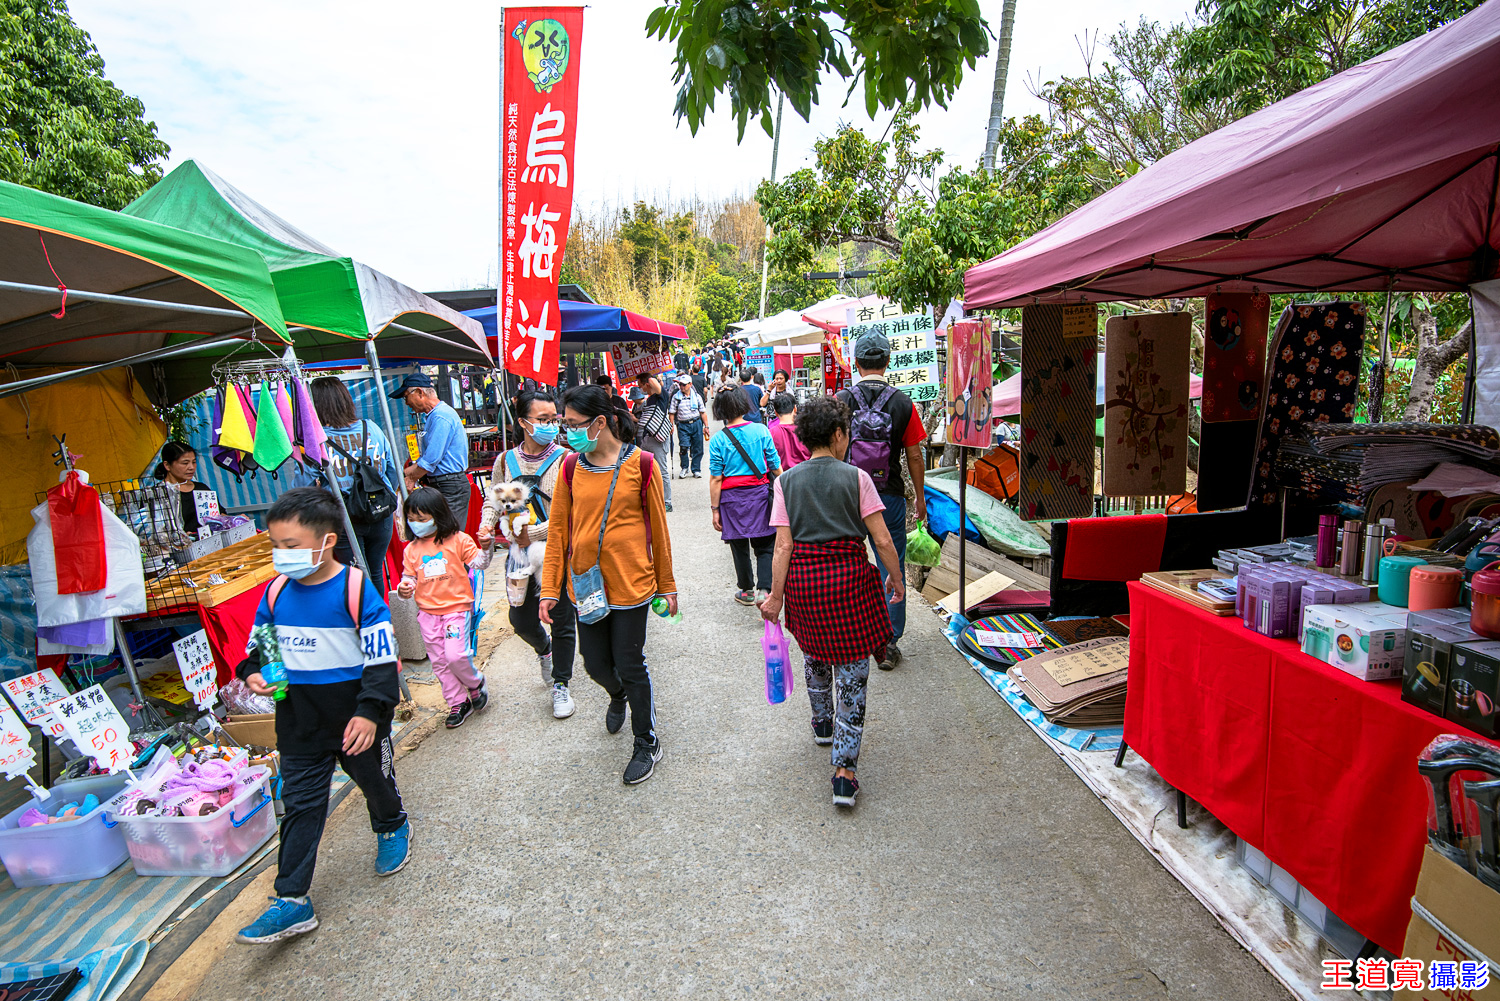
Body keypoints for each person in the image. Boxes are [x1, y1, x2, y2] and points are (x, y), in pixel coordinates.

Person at [235, 487, 408, 944]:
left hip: (357, 722)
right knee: (301, 807)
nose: (281, 556)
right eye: (275, 545)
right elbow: (259, 649)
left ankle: (392, 825)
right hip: (299, 725)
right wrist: (254, 674)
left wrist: (371, 713)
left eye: (290, 546)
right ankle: (291, 899)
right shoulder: (274, 593)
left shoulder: (354, 588)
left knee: (377, 784)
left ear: (326, 542)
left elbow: (380, 658)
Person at [759, 396, 903, 808]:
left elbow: (783, 545)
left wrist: (776, 597)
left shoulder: (785, 482)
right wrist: (895, 577)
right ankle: (844, 773)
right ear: (839, 435)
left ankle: (822, 723)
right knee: (853, 674)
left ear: (804, 438)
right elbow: (881, 538)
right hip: (851, 585)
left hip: (805, 585)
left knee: (816, 655)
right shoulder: (857, 478)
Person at [539, 386, 676, 785]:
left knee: (631, 662)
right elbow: (558, 532)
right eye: (564, 425)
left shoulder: (644, 465)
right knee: (595, 664)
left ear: (600, 422)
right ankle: (617, 695)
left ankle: (646, 741)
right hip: (585, 587)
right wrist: (550, 588)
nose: (567, 433)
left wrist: (667, 586)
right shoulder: (569, 468)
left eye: (573, 425)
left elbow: (660, 534)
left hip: (632, 585)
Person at [478, 391, 578, 720]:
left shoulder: (567, 459)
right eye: (543, 420)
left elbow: (575, 512)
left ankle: (561, 683)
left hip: (556, 552)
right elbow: (494, 501)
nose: (551, 425)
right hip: (518, 556)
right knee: (519, 619)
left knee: (562, 620)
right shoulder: (505, 462)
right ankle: (544, 650)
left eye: (555, 419)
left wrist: (533, 532)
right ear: (522, 422)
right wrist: (486, 527)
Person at [836, 331, 928, 672]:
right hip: (888, 494)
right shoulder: (903, 403)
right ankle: (888, 643)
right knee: (893, 563)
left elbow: (830, 448)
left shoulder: (842, 398)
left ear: (856, 363)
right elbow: (915, 456)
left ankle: (850, 632)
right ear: (888, 362)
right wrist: (919, 497)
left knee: (846, 562)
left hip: (847, 494)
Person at [397, 488, 491, 729]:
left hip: (456, 611)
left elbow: (480, 563)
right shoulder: (411, 550)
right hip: (427, 615)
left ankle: (475, 682)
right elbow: (409, 577)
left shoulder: (459, 540)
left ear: (438, 515)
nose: (416, 524)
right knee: (439, 662)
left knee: (455, 655)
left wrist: (487, 546)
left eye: (422, 518)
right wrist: (404, 587)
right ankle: (458, 702)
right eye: (412, 519)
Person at [310, 377, 402, 595]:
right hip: (380, 512)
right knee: (376, 572)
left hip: (343, 517)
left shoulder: (318, 441)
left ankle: (365, 624)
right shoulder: (371, 428)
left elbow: (302, 483)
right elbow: (392, 470)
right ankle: (380, 622)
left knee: (355, 575)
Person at [708, 386, 781, 606]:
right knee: (765, 545)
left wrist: (715, 510)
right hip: (759, 496)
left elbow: (716, 479)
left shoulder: (718, 440)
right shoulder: (761, 430)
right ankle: (764, 590)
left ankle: (747, 591)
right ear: (742, 404)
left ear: (719, 410)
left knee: (739, 546)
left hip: (731, 500)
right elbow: (775, 467)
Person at [392, 373, 472, 530]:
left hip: (450, 485)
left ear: (420, 393)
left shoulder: (441, 416)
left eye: (406, 396)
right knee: (438, 537)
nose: (406, 402)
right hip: (442, 485)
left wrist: (407, 477)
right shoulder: (434, 416)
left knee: (447, 537)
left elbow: (430, 461)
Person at [633, 372, 675, 511]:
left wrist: (648, 374)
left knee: (662, 471)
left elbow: (653, 382)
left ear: (647, 384)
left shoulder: (661, 396)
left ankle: (667, 502)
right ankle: (651, 498)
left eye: (640, 385)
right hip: (647, 438)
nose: (640, 389)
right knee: (645, 469)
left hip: (659, 439)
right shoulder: (649, 400)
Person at [154, 441, 212, 536]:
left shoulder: (201, 489)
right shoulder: (157, 494)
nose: (191, 467)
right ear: (167, 465)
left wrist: (233, 520)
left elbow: (218, 515)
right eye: (185, 463)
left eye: (194, 462)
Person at [669, 373, 707, 478]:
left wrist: (706, 427)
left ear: (690, 384)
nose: (682, 387)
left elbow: (703, 412)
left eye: (684, 385)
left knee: (698, 448)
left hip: (696, 423)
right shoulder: (676, 397)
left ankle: (696, 469)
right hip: (683, 425)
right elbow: (672, 412)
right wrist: (671, 425)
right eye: (680, 384)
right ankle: (684, 467)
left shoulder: (697, 397)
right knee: (684, 447)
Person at [768, 393, 810, 470]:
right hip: (806, 475)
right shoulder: (806, 430)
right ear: (795, 408)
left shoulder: (770, 433)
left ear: (776, 412)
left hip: (782, 477)